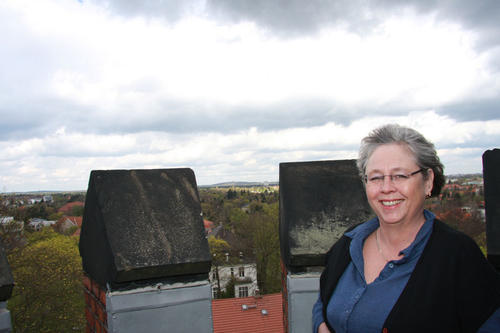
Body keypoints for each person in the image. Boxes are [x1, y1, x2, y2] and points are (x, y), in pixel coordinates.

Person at [312, 124, 500, 333]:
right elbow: (323, 300)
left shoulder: (458, 256)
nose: (386, 188)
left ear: (428, 181)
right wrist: (321, 326)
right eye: (375, 177)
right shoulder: (349, 242)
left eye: (400, 175)